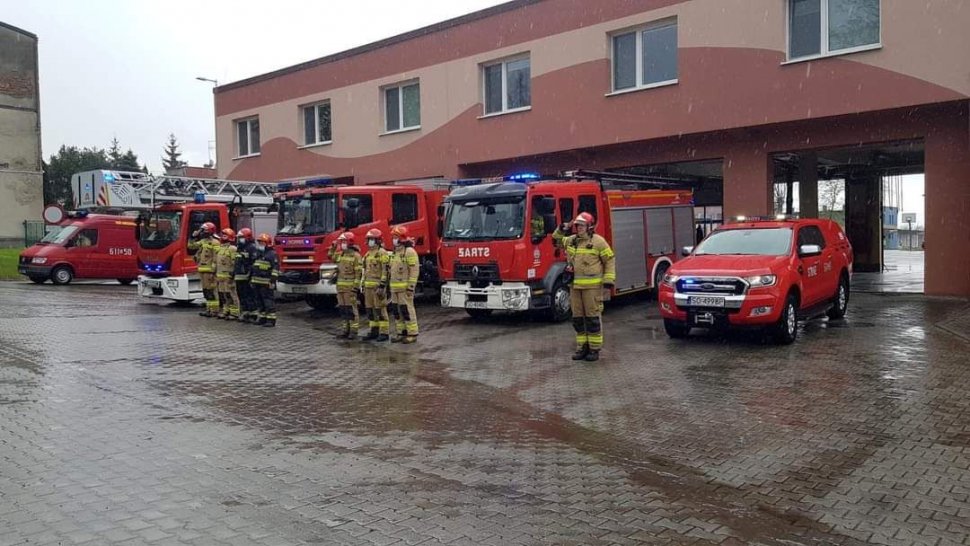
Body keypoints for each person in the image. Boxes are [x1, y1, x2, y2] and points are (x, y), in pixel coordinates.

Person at [553, 212, 616, 362]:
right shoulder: (572, 240)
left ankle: (594, 350)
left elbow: (609, 260)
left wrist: (608, 280)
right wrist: (562, 228)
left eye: (581, 225)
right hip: (575, 287)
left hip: (592, 288)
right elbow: (555, 241)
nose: (578, 228)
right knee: (578, 319)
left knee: (592, 319)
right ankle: (582, 347)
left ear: (590, 226)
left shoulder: (598, 242)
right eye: (577, 225)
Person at [388, 226, 420, 344]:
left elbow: (414, 271)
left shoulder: (409, 252)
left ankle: (412, 333)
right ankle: (401, 333)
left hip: (404, 289)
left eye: (395, 237)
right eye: (393, 237)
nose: (393, 239)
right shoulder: (395, 252)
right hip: (395, 289)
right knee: (397, 311)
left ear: (401, 238)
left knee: (406, 310)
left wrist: (411, 287)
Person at [360, 228, 391, 342]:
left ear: (377, 240)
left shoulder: (382, 253)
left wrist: (382, 286)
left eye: (372, 239)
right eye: (369, 239)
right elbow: (365, 271)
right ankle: (374, 330)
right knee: (370, 310)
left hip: (377, 287)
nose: (370, 242)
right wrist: (362, 285)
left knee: (380, 310)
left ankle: (384, 332)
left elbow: (385, 270)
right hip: (368, 288)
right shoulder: (368, 254)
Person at [333, 232, 363, 339]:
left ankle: (353, 331)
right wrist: (334, 247)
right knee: (343, 309)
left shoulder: (356, 256)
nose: (342, 244)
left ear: (350, 242)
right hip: (340, 288)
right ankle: (345, 330)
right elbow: (331, 257)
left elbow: (358, 274)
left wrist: (355, 287)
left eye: (344, 242)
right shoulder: (341, 254)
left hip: (350, 288)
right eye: (342, 242)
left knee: (351, 309)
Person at [251, 233, 279, 327]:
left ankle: (271, 320)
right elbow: (254, 267)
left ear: (267, 243)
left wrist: (272, 281)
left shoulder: (272, 254)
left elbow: (275, 269)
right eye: (259, 242)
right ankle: (262, 318)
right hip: (257, 281)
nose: (260, 244)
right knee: (259, 301)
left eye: (262, 242)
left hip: (266, 282)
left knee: (268, 301)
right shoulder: (258, 253)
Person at [192, 222, 220, 317]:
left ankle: (214, 310)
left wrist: (213, 270)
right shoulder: (203, 241)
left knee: (211, 290)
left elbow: (216, 258)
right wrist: (194, 236)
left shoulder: (215, 242)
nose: (202, 232)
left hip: (210, 271)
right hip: (202, 270)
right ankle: (209, 309)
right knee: (206, 291)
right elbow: (191, 246)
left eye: (204, 230)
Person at [233, 228, 258, 324]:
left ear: (247, 237)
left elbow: (253, 263)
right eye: (239, 238)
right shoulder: (239, 248)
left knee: (249, 295)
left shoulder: (251, 248)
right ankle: (245, 312)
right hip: (239, 276)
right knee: (241, 295)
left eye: (241, 238)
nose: (239, 240)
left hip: (247, 276)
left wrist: (250, 275)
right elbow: (237, 262)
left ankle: (253, 314)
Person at [215, 228, 240, 320]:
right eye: (222, 235)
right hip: (220, 276)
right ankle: (226, 310)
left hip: (229, 276)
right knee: (224, 295)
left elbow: (235, 263)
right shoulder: (221, 248)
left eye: (225, 235)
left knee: (231, 294)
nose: (223, 237)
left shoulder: (232, 249)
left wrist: (232, 275)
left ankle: (235, 312)